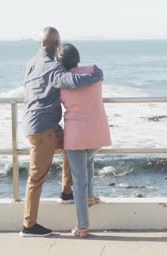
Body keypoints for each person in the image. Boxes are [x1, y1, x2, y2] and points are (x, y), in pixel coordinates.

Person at [20, 27, 104, 237]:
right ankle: (29, 226)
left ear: (40, 44)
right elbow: (73, 81)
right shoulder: (54, 67)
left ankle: (67, 192)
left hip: (34, 123)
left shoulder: (31, 63)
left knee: (71, 144)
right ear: (57, 43)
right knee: (36, 177)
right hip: (43, 128)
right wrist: (97, 74)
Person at [57, 43, 111, 238]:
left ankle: (82, 227)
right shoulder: (95, 72)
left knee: (78, 181)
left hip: (76, 135)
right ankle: (89, 196)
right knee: (89, 159)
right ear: (77, 57)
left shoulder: (62, 81)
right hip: (97, 133)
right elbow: (98, 74)